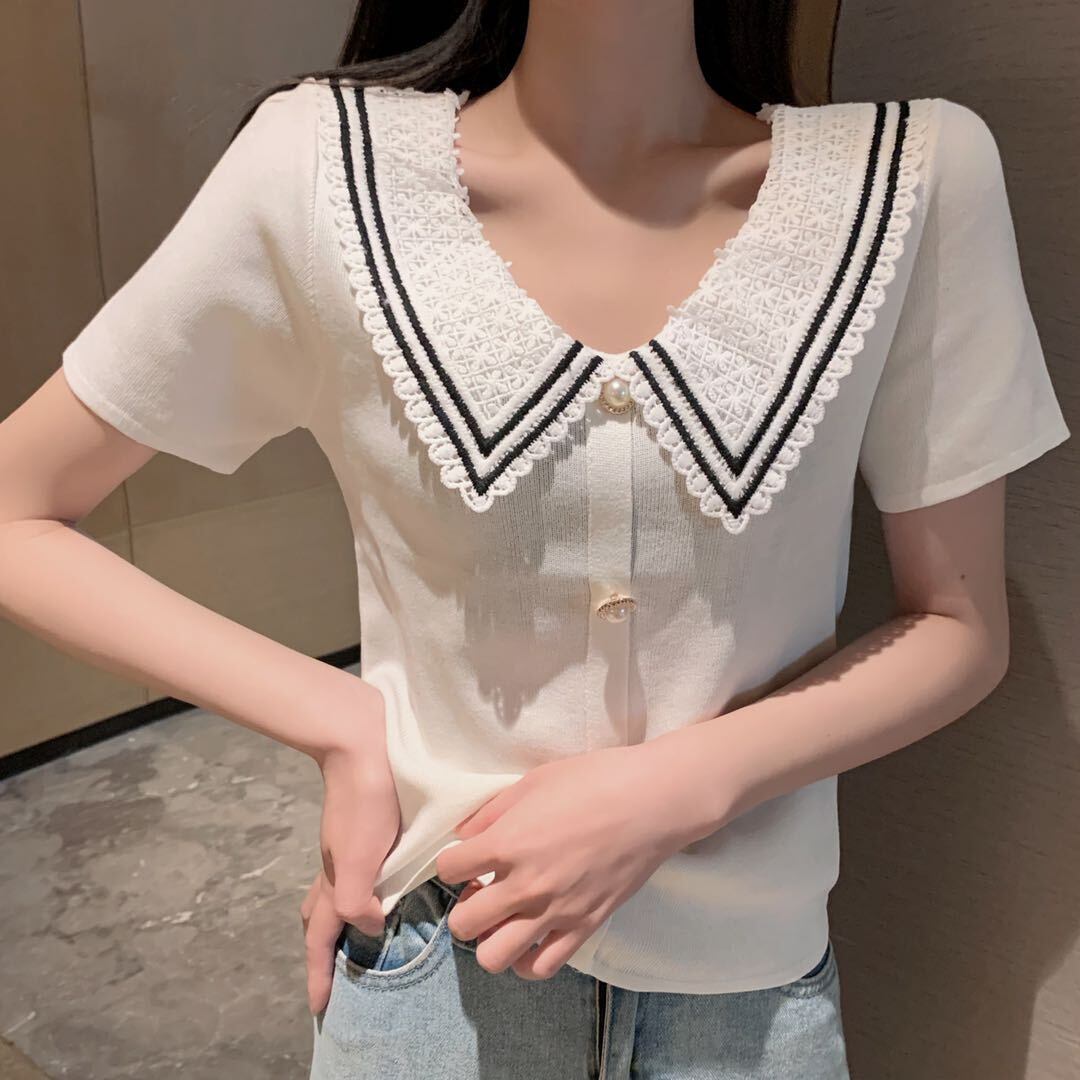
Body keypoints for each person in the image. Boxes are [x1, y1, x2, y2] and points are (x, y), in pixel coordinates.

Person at [0, 1, 1071, 1077]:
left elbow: (958, 624)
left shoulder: (914, 178)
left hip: (751, 1007)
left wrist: (686, 783)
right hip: (432, 972)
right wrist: (338, 720)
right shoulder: (319, 167)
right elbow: (18, 507)